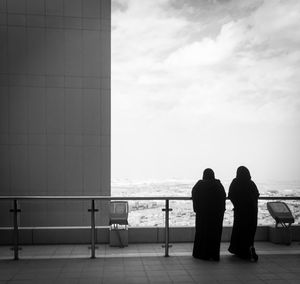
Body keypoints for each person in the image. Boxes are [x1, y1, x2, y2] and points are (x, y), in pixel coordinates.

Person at [192, 168, 226, 261]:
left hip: (202, 215)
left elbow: (194, 194)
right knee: (215, 235)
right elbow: (223, 198)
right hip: (216, 216)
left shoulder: (199, 185)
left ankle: (201, 254)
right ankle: (214, 255)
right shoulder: (218, 185)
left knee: (202, 234)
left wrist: (197, 209)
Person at [228, 166, 259, 262]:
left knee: (240, 231)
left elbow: (231, 195)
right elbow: (256, 195)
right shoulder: (251, 183)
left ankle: (241, 251)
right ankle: (249, 249)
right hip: (252, 212)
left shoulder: (235, 182)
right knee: (249, 233)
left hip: (240, 212)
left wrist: (237, 204)